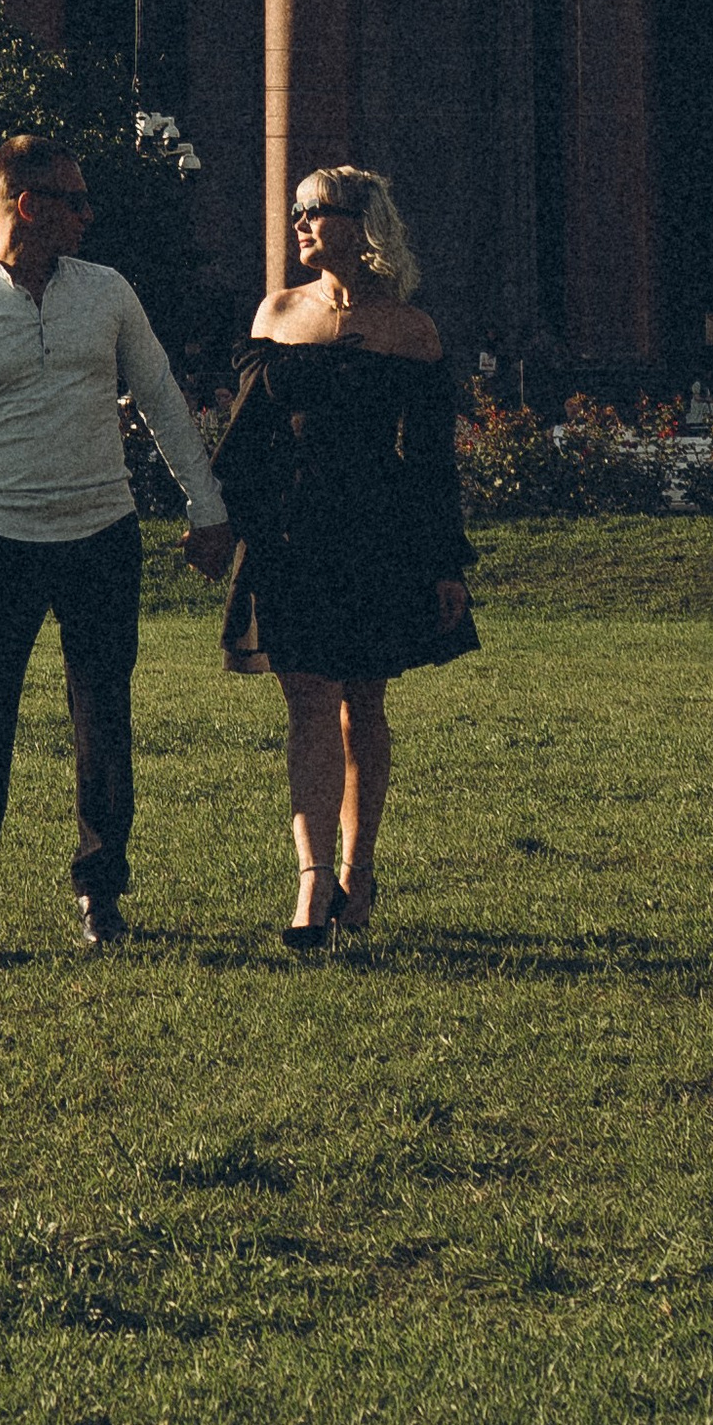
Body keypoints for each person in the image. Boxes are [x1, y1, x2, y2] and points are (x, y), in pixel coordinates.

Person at [0, 135, 231, 959]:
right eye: (75, 201)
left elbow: (160, 397)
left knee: (103, 721)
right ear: (28, 205)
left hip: (101, 537)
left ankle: (100, 895)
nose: (90, 214)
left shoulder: (108, 293)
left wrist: (207, 506)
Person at [213, 166, 475, 944]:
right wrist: (218, 523)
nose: (298, 223)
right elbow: (245, 441)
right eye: (295, 211)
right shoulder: (278, 311)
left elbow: (432, 465)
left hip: (380, 536)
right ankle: (310, 885)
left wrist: (444, 564)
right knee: (306, 707)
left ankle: (358, 878)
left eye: (314, 212)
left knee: (364, 703)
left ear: (362, 223)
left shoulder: (412, 329)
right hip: (292, 537)